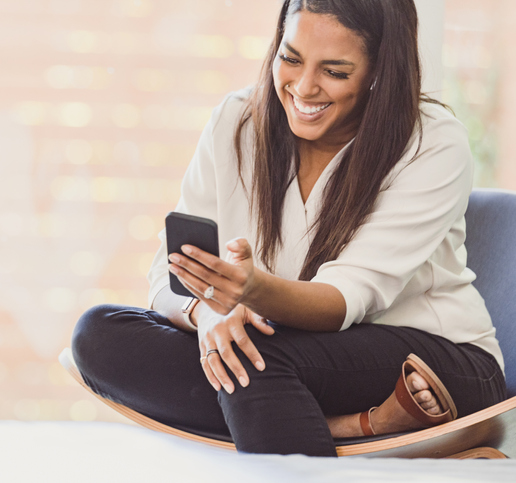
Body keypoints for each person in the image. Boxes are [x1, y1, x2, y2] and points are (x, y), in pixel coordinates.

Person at [71, 0, 507, 456]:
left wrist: (249, 290)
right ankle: (352, 427)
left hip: (433, 363)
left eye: (335, 71)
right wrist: (210, 314)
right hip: (289, 357)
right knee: (100, 336)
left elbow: (346, 300)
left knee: (252, 358)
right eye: (290, 58)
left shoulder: (432, 143)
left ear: (381, 69)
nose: (302, 87)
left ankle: (291, 413)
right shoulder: (237, 121)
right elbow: (170, 275)